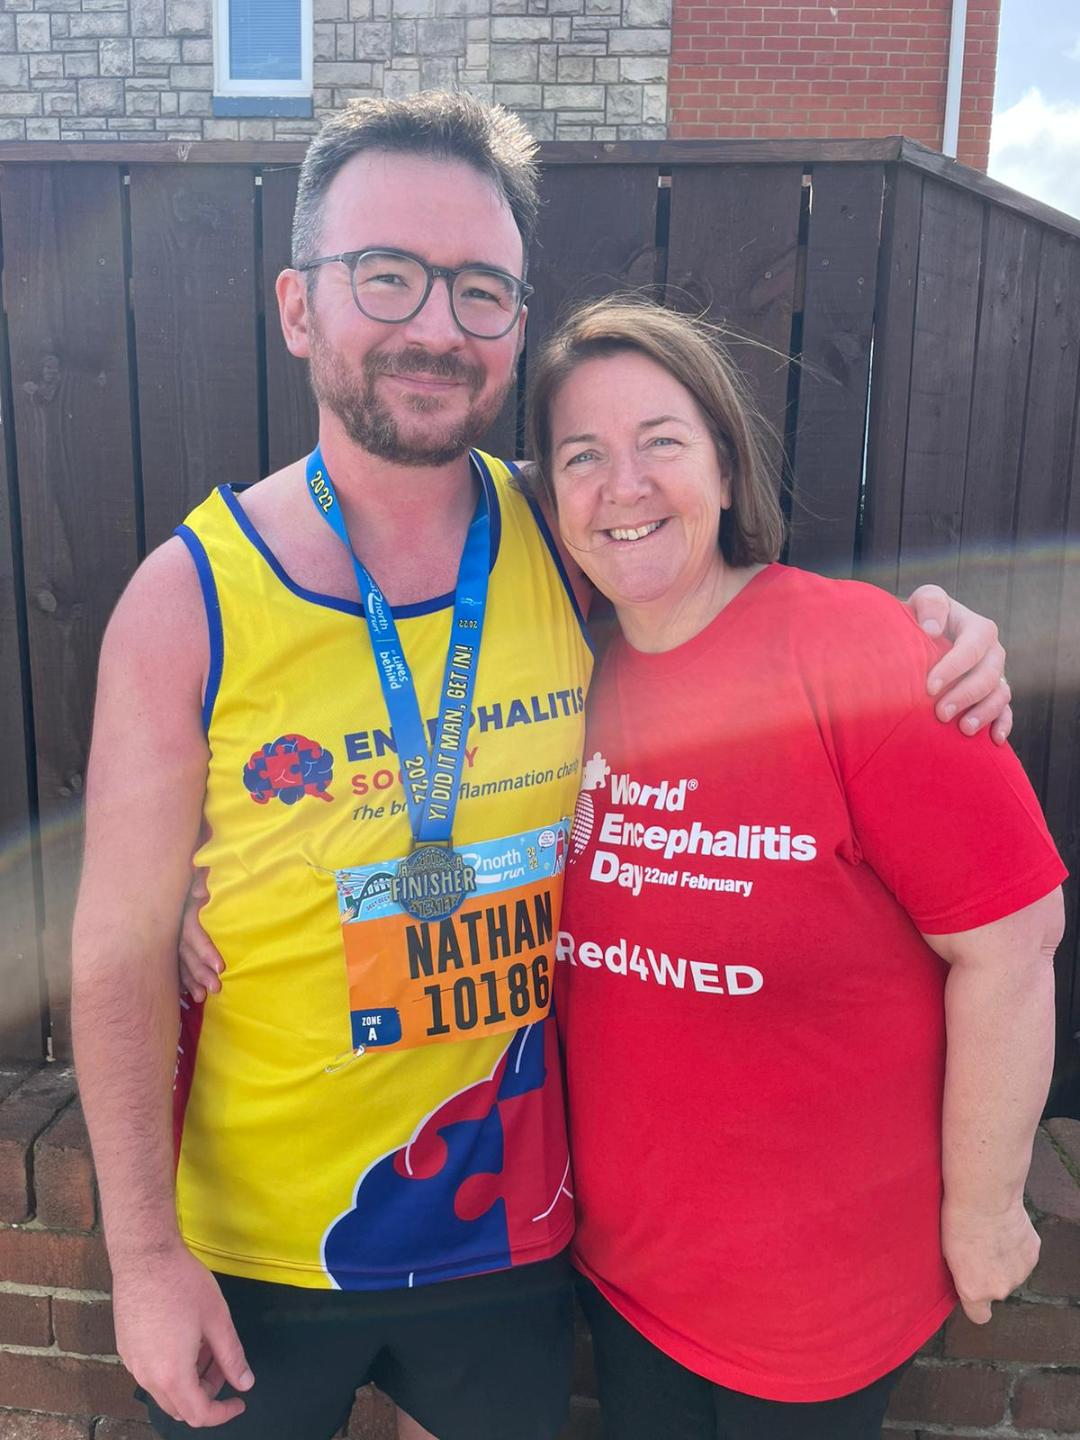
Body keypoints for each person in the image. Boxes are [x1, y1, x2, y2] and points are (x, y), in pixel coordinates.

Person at [73, 93, 1012, 1440]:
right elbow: (109, 954)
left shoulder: (567, 533)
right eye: (387, 276)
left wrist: (934, 642)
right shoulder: (189, 600)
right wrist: (143, 1261)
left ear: (515, 327)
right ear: (299, 305)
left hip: (509, 1230)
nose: (435, 327)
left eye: (481, 292)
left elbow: (734, 616)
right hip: (257, 1246)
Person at [524, 295, 1066, 1440]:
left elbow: (1013, 943)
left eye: (660, 442)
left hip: (820, 1308)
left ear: (724, 467)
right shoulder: (563, 687)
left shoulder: (859, 654)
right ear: (553, 500)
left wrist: (985, 1208)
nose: (622, 484)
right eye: (583, 455)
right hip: (625, 1282)